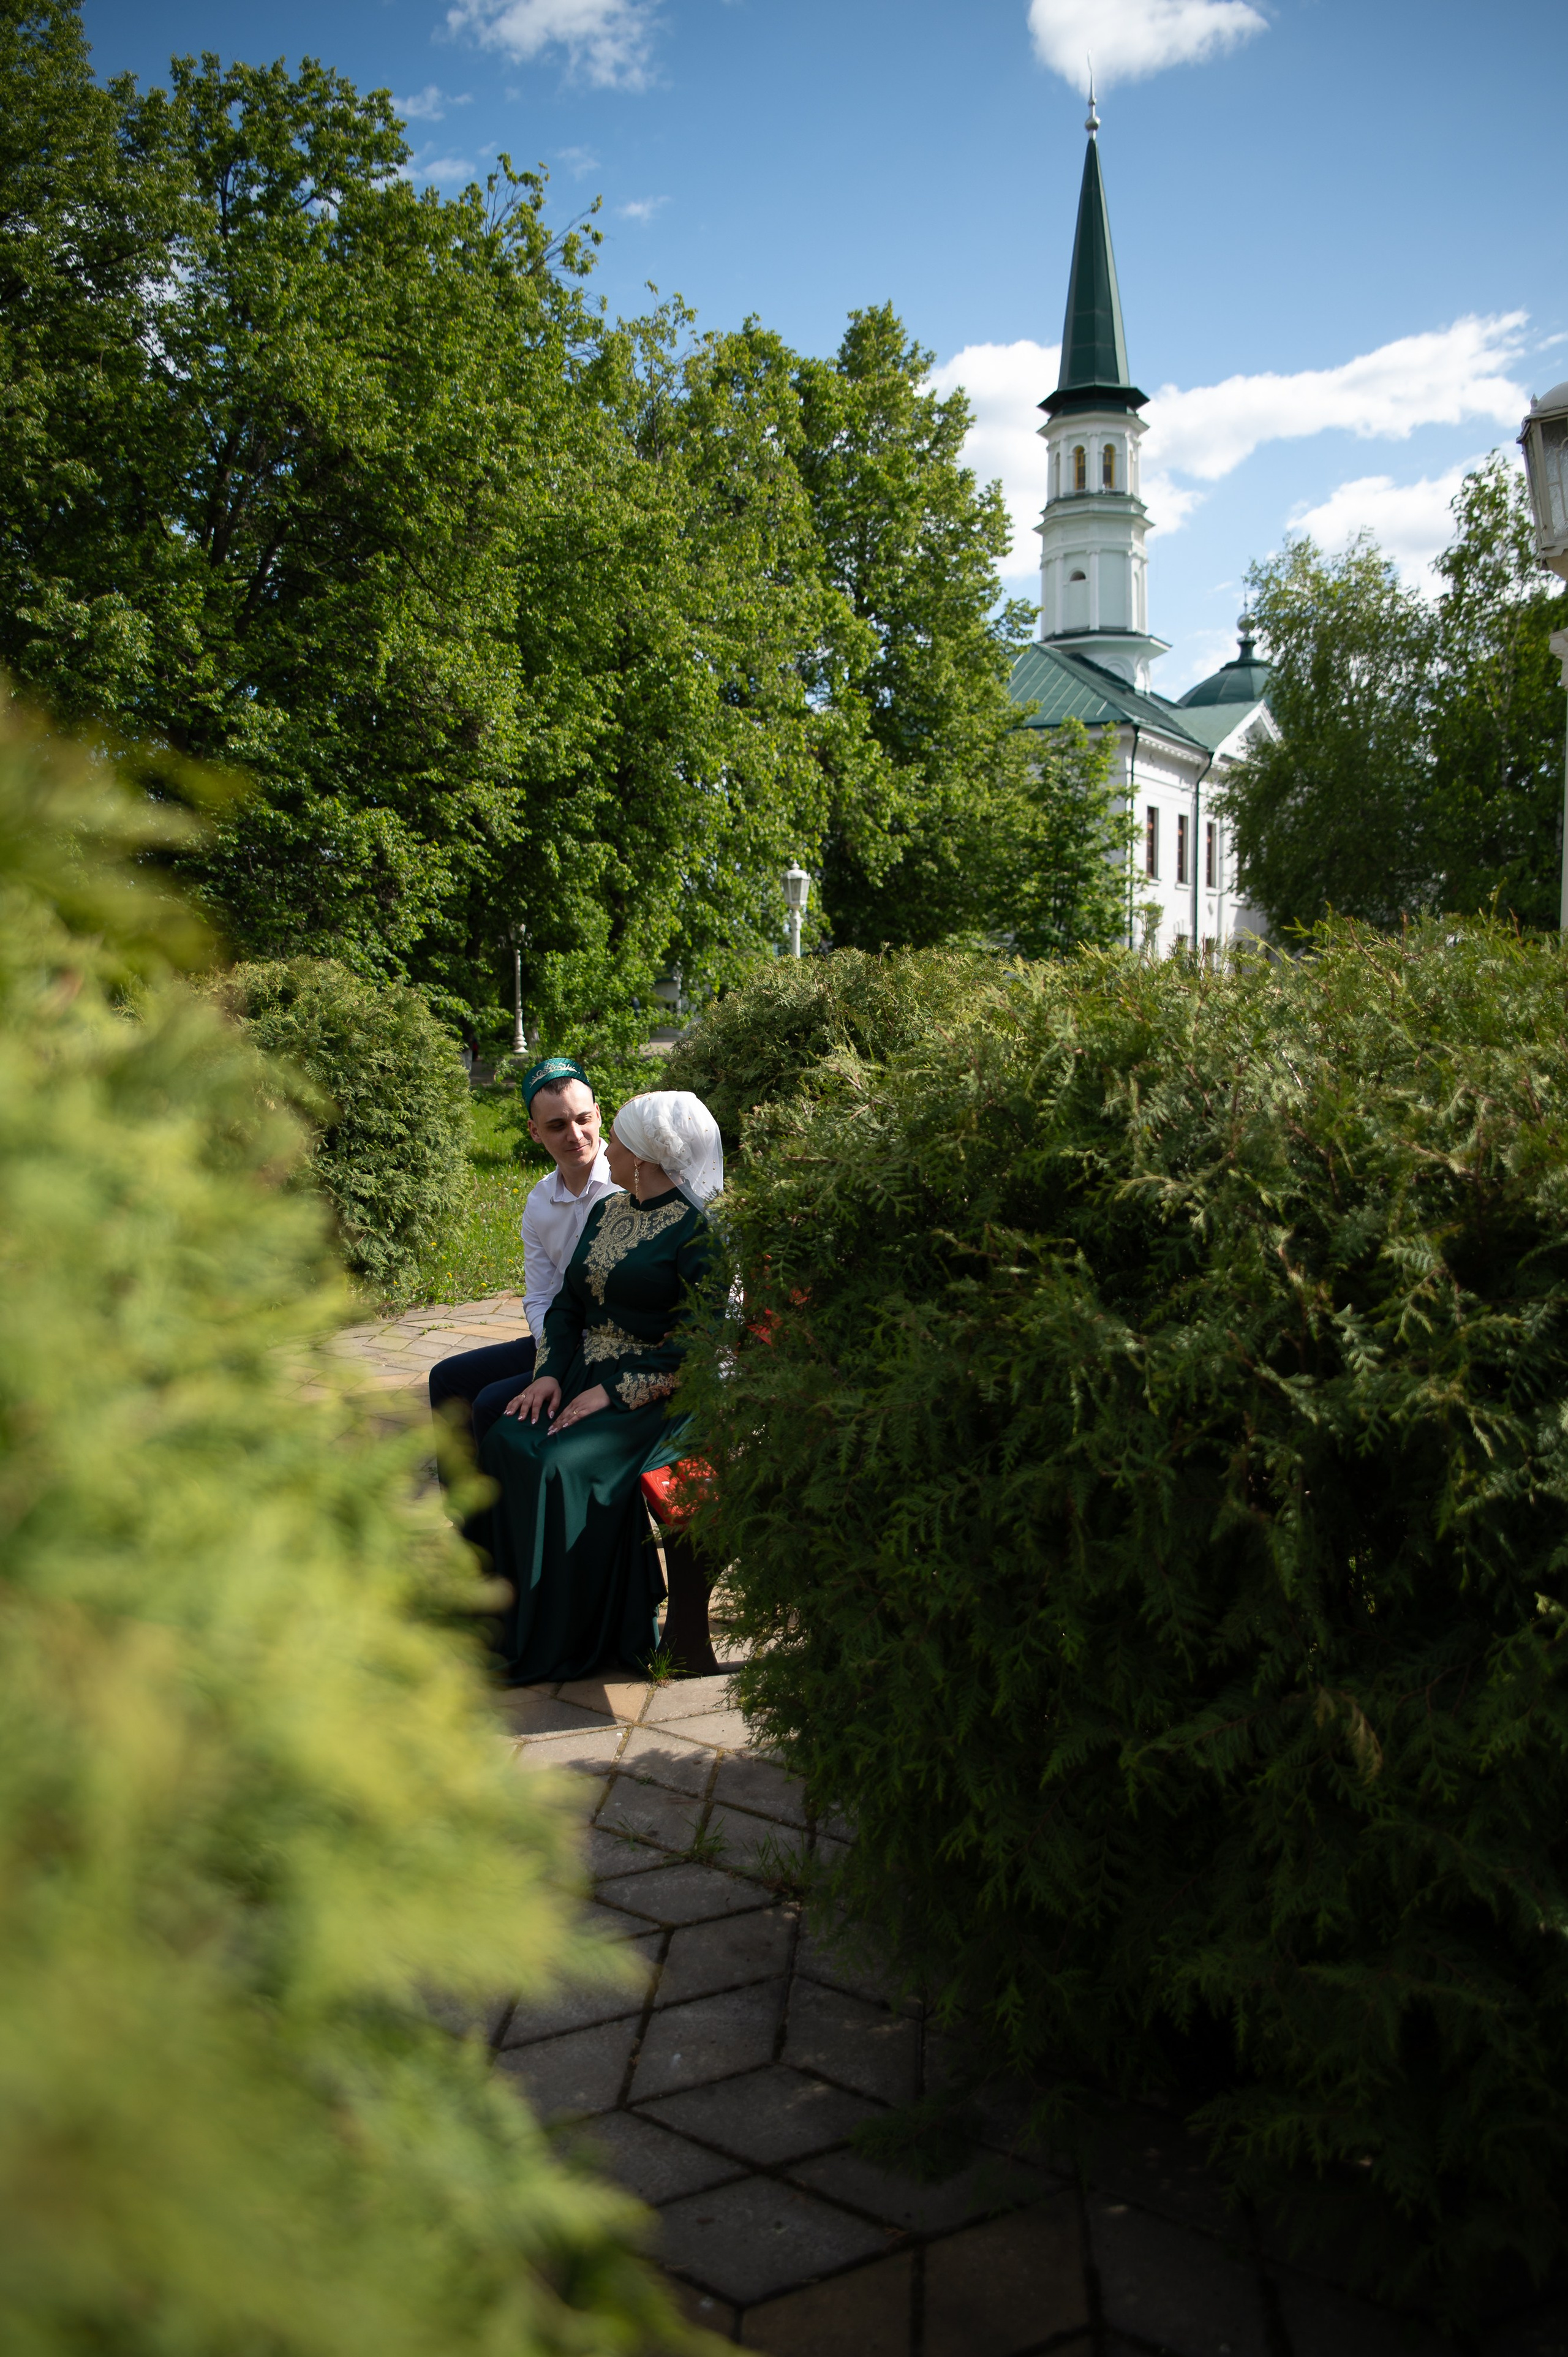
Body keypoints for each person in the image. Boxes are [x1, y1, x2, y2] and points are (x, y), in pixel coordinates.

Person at [479, 1088, 723, 1686]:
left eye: (614, 1137)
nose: (604, 1147)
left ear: (641, 1155)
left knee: (559, 1464)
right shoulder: (609, 1211)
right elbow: (566, 1307)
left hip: (656, 1396)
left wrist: (614, 1394)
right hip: (582, 1375)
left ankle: (574, 1636)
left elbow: (702, 1342)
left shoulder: (696, 1233)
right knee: (509, 1438)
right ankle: (513, 1619)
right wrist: (549, 1376)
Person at [428, 1056, 619, 1456]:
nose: (576, 1134)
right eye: (556, 1126)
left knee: (490, 1404)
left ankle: (507, 1512)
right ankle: (470, 1516)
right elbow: (540, 1295)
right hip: (561, 1339)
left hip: (611, 1347)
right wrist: (550, 1350)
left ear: (599, 1114)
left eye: (584, 1119)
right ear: (534, 1132)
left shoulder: (627, 1186)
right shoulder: (539, 1201)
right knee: (447, 1379)